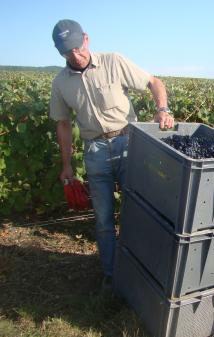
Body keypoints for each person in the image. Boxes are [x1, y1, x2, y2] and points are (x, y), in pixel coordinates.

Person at [49, 19, 174, 290]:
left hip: (129, 144)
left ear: (86, 39)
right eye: (67, 52)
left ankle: (143, 269)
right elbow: (63, 124)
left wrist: (162, 109)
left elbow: (154, 82)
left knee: (139, 209)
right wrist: (67, 165)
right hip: (94, 152)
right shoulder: (60, 83)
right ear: (59, 52)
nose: (75, 55)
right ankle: (112, 275)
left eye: (77, 47)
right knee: (104, 219)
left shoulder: (113, 61)